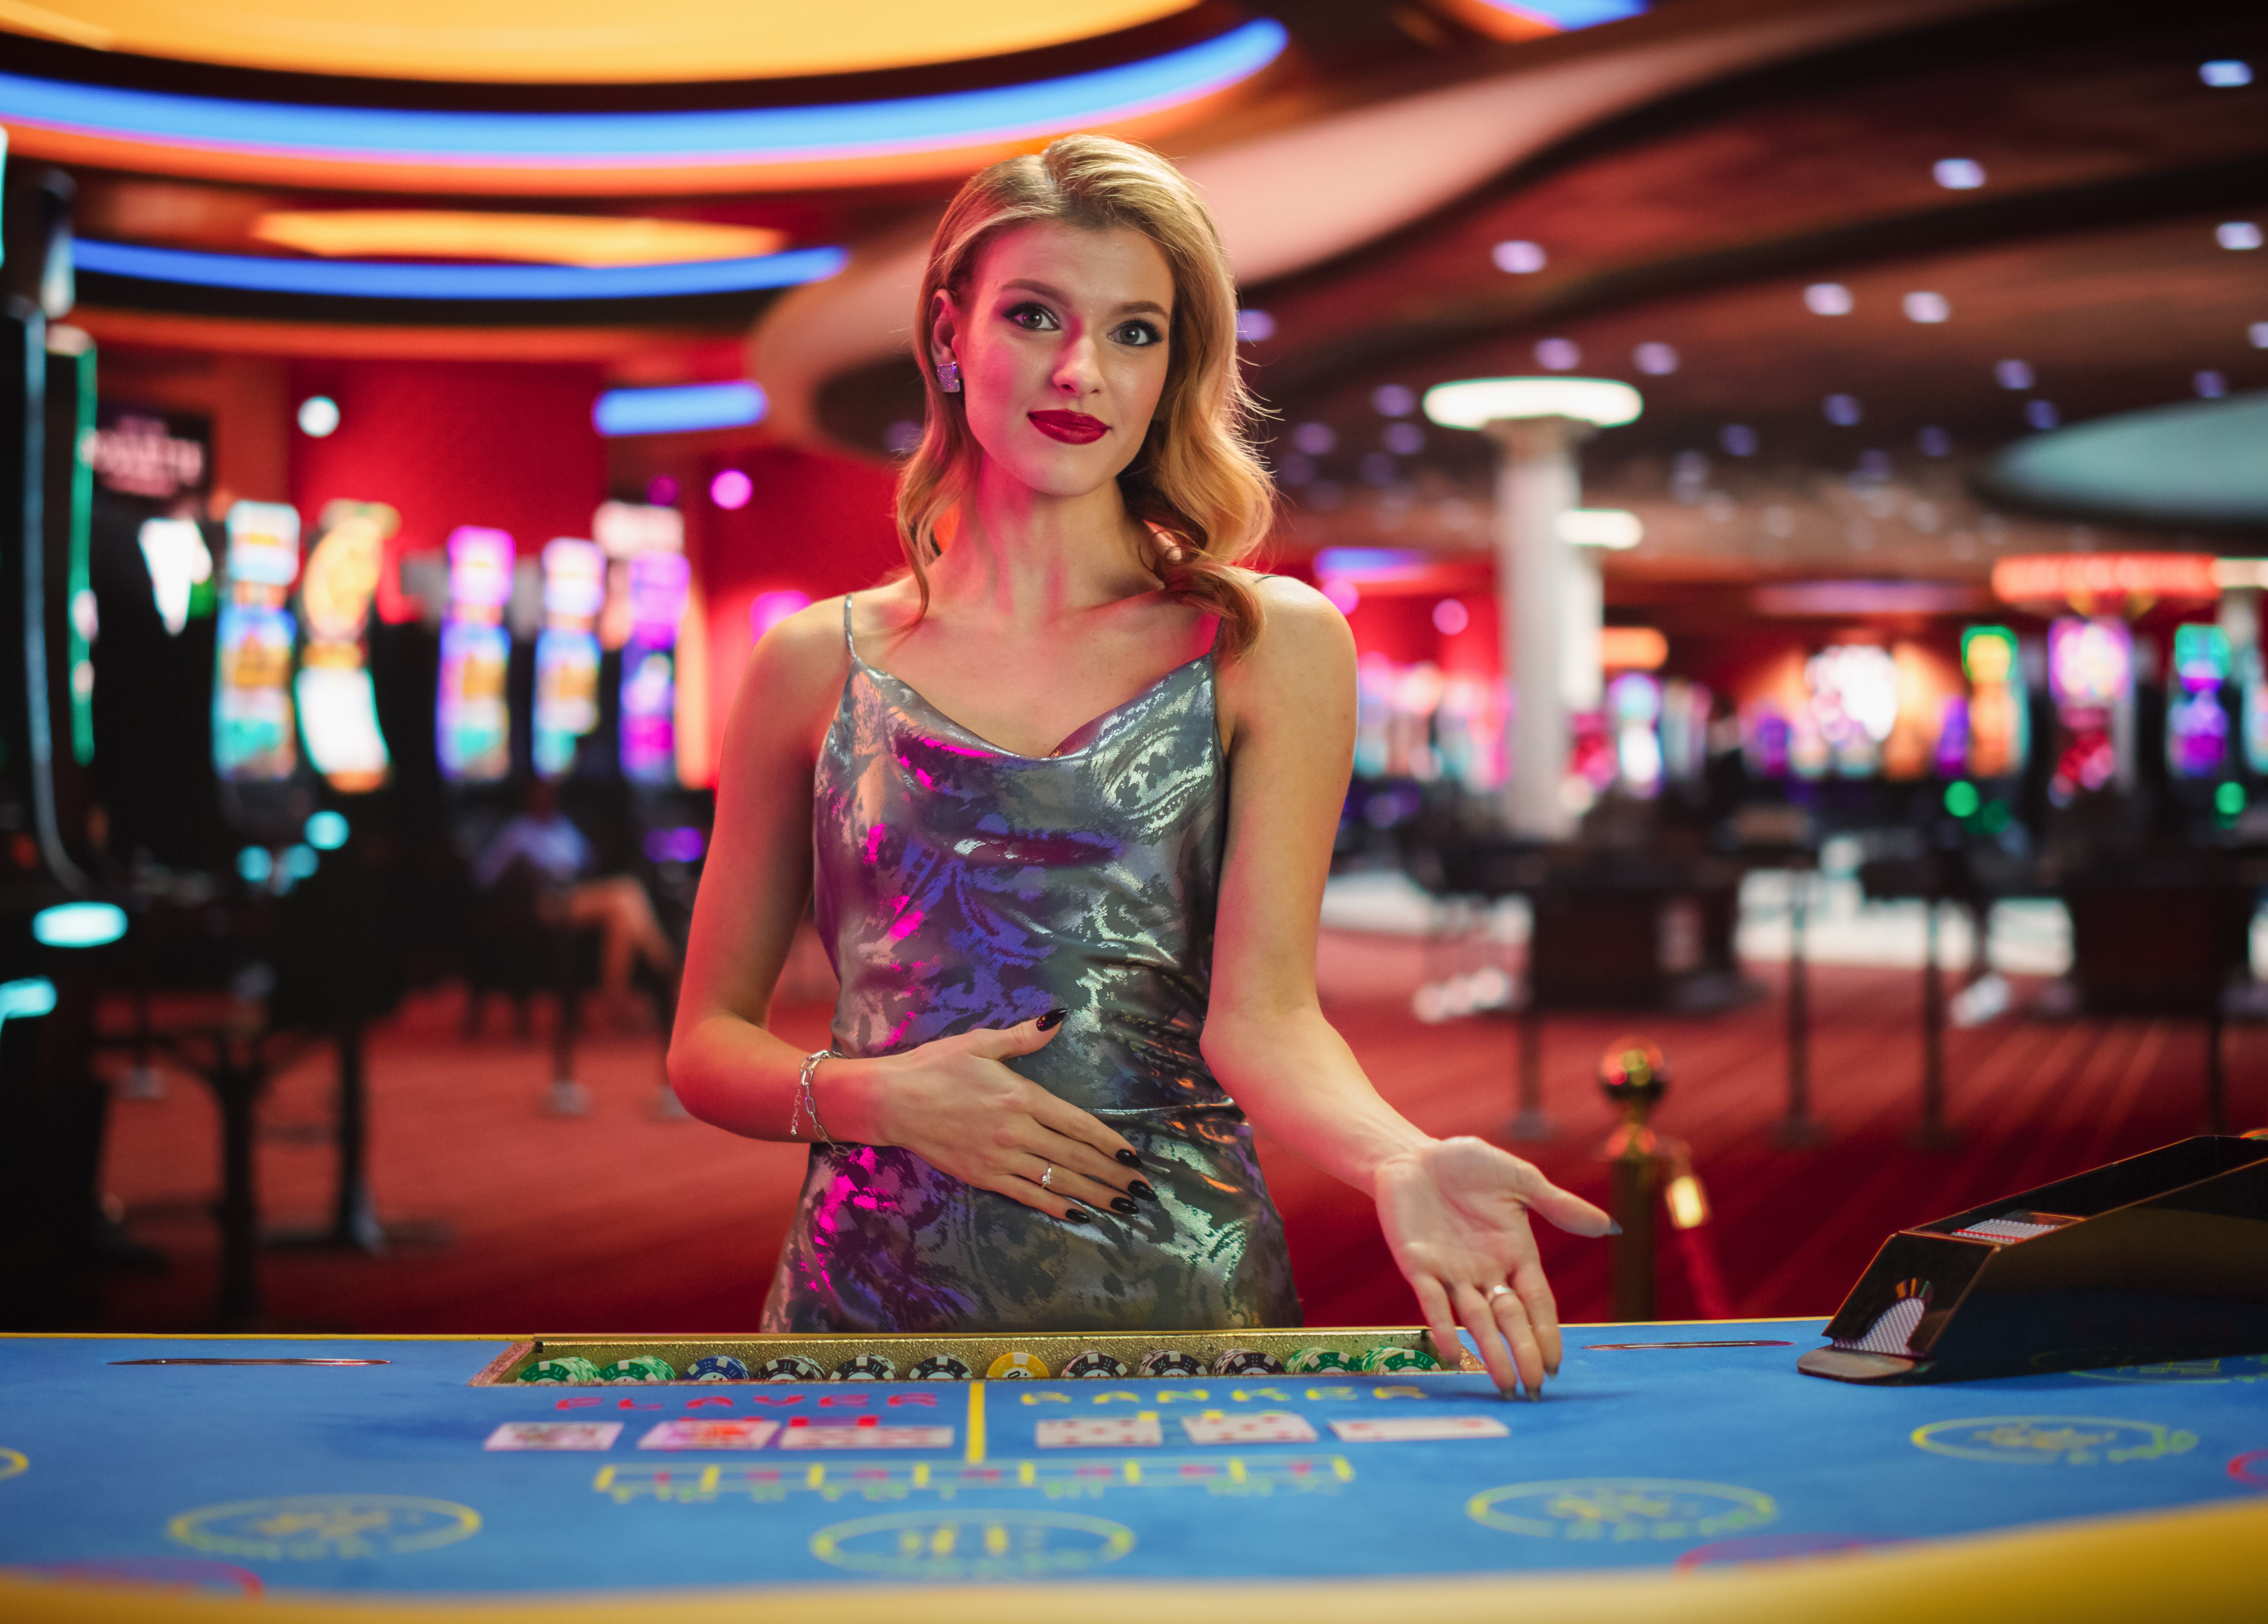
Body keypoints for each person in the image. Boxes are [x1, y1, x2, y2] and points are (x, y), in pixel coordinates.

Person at [668, 135, 1610, 1398]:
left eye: (1134, 333)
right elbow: (706, 1045)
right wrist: (873, 1098)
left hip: (1184, 1292)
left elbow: (1265, 1021)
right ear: (951, 334)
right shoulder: (810, 661)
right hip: (870, 1306)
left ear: (1176, 368)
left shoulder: (1265, 643)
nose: (1079, 371)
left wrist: (1397, 1157)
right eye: (1034, 315)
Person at [475, 778, 675, 1026]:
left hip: (574, 895)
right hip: (542, 904)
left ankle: (616, 1001)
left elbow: (589, 861)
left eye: (549, 795)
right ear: (528, 800)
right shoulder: (519, 832)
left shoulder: (562, 828)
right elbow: (484, 875)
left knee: (622, 915)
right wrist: (522, 869)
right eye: (539, 796)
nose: (545, 800)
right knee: (626, 893)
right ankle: (668, 968)